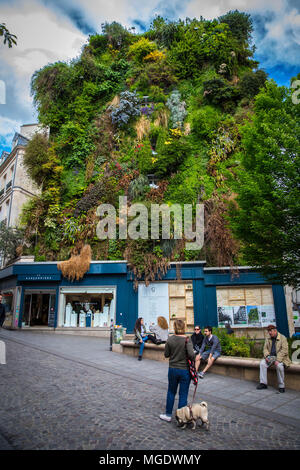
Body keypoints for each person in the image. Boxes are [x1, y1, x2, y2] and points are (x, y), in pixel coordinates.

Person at [159, 319, 195, 422]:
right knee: (183, 394)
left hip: (173, 369)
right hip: (185, 370)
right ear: (184, 327)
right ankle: (181, 417)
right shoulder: (187, 340)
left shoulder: (170, 339)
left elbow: (166, 354)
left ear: (174, 327)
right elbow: (192, 355)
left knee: (171, 391)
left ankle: (168, 414)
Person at [257, 324, 291, 393]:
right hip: (271, 357)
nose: (269, 333)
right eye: (268, 331)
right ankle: (263, 383)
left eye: (271, 331)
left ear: (275, 331)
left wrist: (278, 360)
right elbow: (265, 349)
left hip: (281, 358)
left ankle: (281, 386)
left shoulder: (283, 338)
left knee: (279, 366)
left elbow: (284, 350)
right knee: (262, 363)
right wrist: (267, 356)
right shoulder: (268, 338)